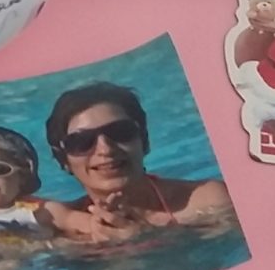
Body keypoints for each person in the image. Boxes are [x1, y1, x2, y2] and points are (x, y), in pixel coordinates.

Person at [41, 81, 234, 242]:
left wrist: (146, 239)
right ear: (63, 160)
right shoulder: (59, 230)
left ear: (144, 141)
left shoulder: (208, 202)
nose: (106, 149)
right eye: (82, 141)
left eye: (120, 132)